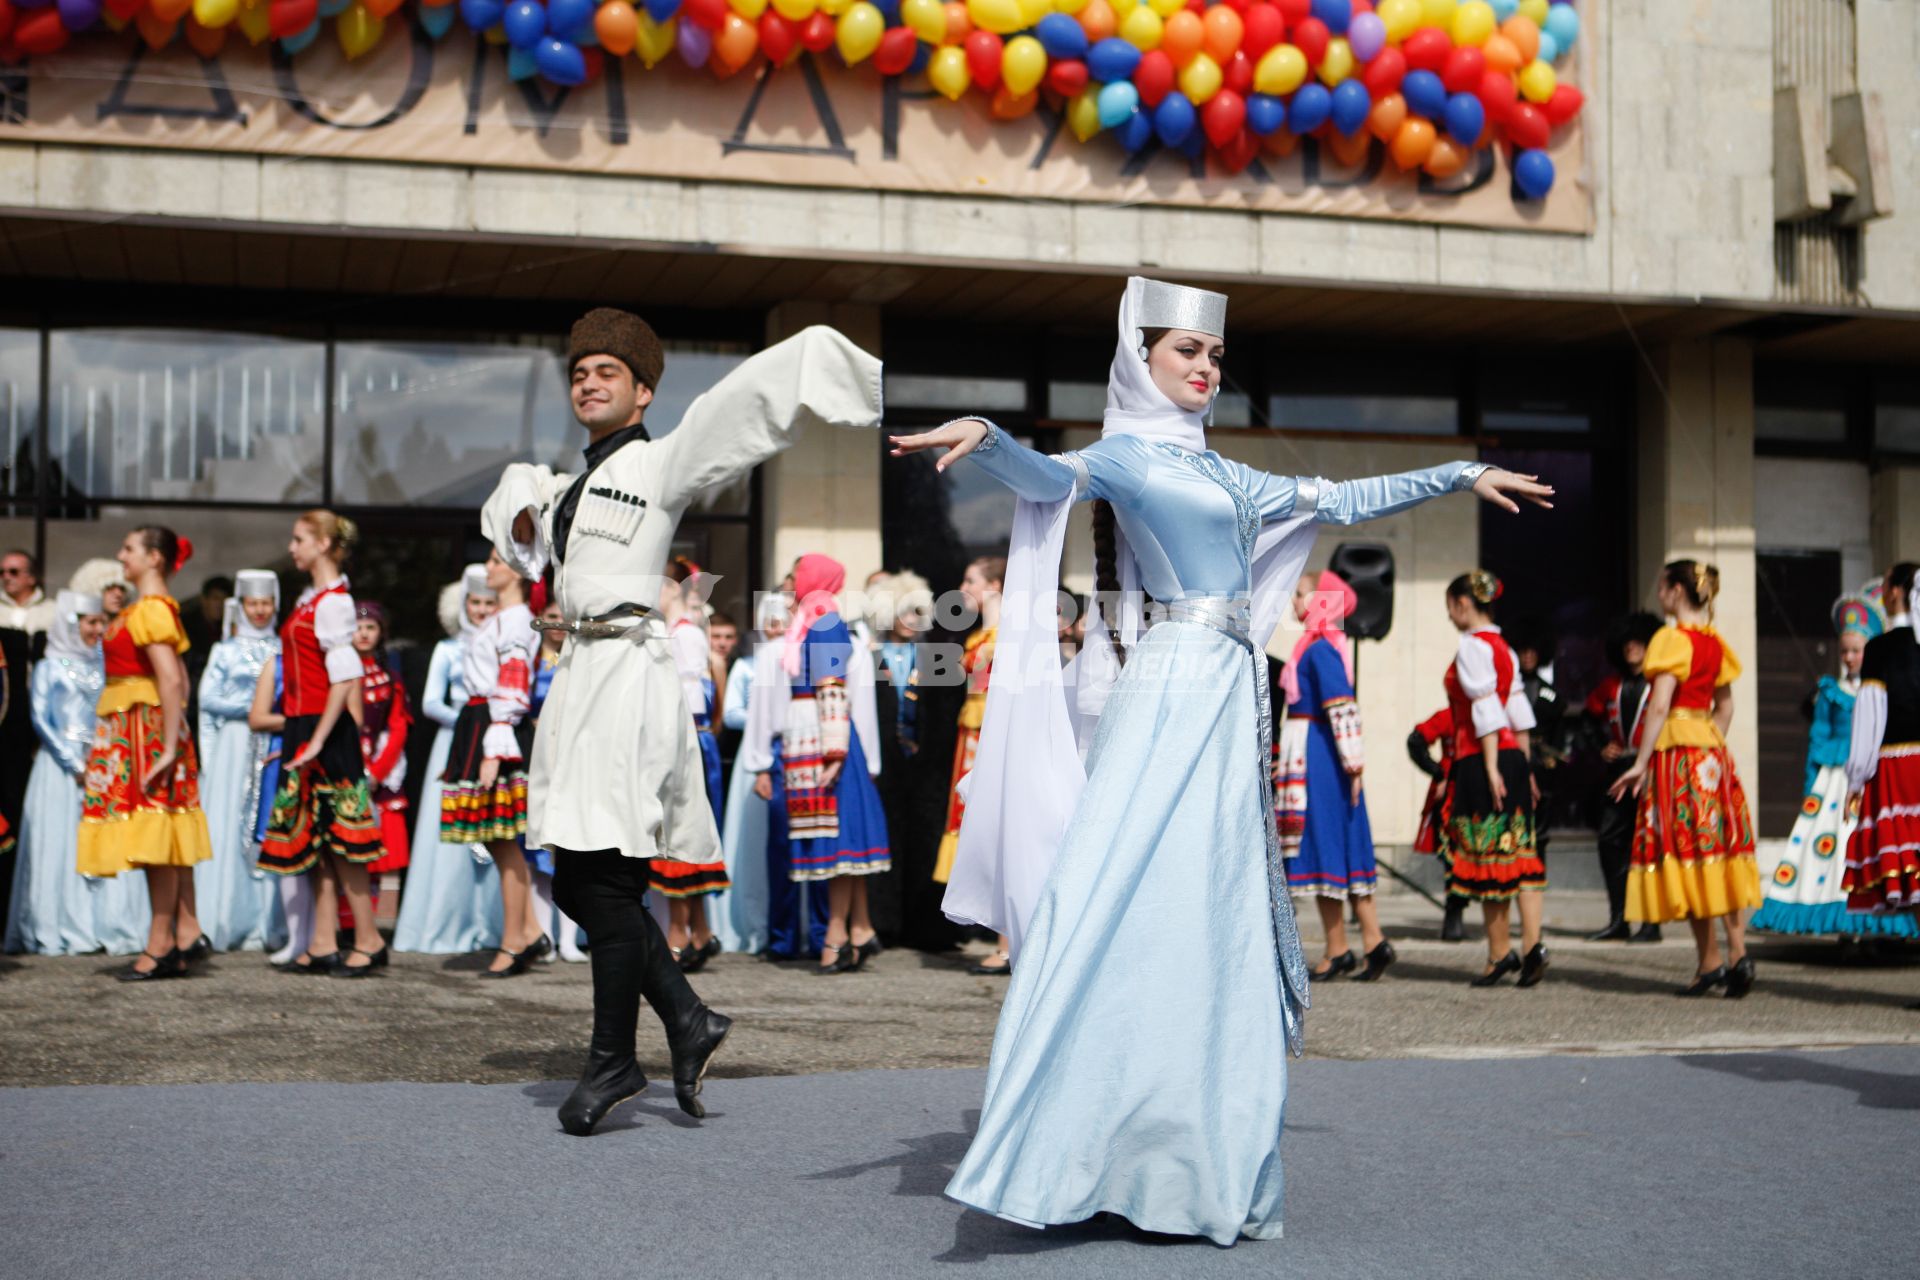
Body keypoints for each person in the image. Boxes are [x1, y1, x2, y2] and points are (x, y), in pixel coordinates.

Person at [898, 276, 1551, 1244]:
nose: (1205, 368)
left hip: (1227, 692)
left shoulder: (1234, 476)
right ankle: (1061, 1139)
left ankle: (1185, 1156)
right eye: (1185, 354)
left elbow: (1343, 495)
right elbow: (1050, 477)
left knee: (1211, 925)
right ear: (1142, 362)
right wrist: (990, 442)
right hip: (1168, 691)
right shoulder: (1125, 456)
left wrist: (1455, 473)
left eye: (1212, 356)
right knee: (1111, 896)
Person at [479, 308, 881, 1135]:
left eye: (608, 373)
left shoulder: (662, 463)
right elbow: (516, 518)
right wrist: (526, 503)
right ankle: (686, 1019)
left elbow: (734, 407)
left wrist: (821, 362)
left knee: (608, 874)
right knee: (583, 873)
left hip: (628, 673)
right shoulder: (566, 486)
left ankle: (615, 1060)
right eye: (579, 371)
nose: (589, 381)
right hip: (579, 673)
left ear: (643, 391)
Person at [1608, 560, 1762, 997]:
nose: (1659, 594)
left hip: (1677, 756)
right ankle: (1737, 953)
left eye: (1662, 586)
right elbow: (1726, 707)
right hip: (1712, 754)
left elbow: (1659, 705)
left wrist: (1640, 762)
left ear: (1677, 591)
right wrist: (1709, 742)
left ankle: (1708, 962)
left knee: (1687, 851)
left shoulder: (1672, 639)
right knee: (1720, 850)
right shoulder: (1714, 643)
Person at [76, 526, 215, 981]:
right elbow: (179, 677)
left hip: (144, 732)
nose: (122, 555)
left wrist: (170, 743)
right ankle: (175, 938)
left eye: (130, 549)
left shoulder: (152, 609)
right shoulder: (149, 608)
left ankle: (160, 943)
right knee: (155, 839)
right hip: (136, 728)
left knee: (154, 838)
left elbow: (172, 680)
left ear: (155, 558)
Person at [258, 510, 387, 977]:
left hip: (324, 729)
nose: (292, 548)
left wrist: (315, 739)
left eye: (299, 540)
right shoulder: (312, 598)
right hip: (303, 723)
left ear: (325, 544)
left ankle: (369, 939)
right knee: (316, 839)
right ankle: (323, 939)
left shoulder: (334, 602)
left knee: (343, 840)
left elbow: (347, 675)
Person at [758, 555, 891, 974]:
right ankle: (859, 929)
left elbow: (832, 690)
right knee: (843, 841)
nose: (793, 582)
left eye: (799, 576)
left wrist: (833, 752)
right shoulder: (813, 621)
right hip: (814, 738)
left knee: (838, 843)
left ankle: (836, 936)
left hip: (825, 742)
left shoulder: (825, 621)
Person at [1755, 593, 1915, 940]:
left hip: (1871, 770)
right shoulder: (1831, 691)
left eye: (1856, 651)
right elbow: (1819, 735)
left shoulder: (1884, 683)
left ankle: (1876, 927)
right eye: (1844, 652)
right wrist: (1815, 777)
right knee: (1836, 846)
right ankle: (1846, 930)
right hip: (1836, 780)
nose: (1849, 658)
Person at [6, 591, 139, 955]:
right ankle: (59, 923)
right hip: (60, 769)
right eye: (91, 622)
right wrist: (75, 763)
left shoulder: (103, 664)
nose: (98, 629)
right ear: (71, 623)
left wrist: (106, 755)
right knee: (59, 843)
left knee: (102, 841)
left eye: (101, 622)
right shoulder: (49, 666)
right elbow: (41, 720)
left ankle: (101, 922)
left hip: (103, 764)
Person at [1276, 570, 1391, 981]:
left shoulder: (1320, 649)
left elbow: (1341, 708)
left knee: (1325, 844)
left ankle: (1341, 947)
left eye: (1302, 594)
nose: (1295, 602)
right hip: (1318, 755)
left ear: (1323, 600)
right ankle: (1366, 942)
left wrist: (1353, 765)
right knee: (1339, 844)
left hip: (1321, 760)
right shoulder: (1318, 646)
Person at [1438, 571, 1547, 989]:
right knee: (1520, 848)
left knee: (1488, 856)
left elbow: (1485, 709)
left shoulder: (1471, 646)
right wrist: (1525, 765)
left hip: (1480, 756)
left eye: (1451, 607)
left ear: (1463, 604)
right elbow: (1518, 712)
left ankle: (1499, 954)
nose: (1451, 616)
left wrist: (1489, 766)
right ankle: (1533, 944)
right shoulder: (1504, 648)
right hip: (1513, 757)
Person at [441, 549, 545, 978]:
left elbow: (515, 685)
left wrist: (493, 748)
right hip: (481, 721)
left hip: (495, 724)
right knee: (499, 839)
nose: (489, 567)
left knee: (503, 840)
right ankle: (530, 930)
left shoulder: (517, 619)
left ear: (519, 571)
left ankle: (514, 939)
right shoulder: (503, 618)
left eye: (498, 560)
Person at [392, 569, 503, 955]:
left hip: (494, 747)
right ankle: (444, 922)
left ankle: (491, 925)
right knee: (450, 836)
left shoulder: (508, 646)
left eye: (490, 603)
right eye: (475, 603)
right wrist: (472, 721)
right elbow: (429, 703)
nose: (482, 610)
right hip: (454, 746)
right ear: (462, 604)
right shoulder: (448, 649)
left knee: (494, 832)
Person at [192, 570, 283, 953]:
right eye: (253, 604)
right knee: (229, 823)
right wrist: (252, 708)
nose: (260, 611)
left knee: (267, 824)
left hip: (272, 744)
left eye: (266, 603)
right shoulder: (224, 650)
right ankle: (225, 916)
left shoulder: (283, 647)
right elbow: (207, 698)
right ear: (241, 606)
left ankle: (270, 920)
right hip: (234, 745)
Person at [652, 558, 731, 970]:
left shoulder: (683, 636)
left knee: (682, 832)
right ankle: (699, 929)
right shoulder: (677, 633)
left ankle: (682, 931)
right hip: (686, 739)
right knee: (681, 831)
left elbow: (688, 700)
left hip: (687, 741)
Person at [934, 556, 1010, 975]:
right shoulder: (983, 634)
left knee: (1002, 828)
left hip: (991, 738)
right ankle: (1005, 936)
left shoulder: (1009, 633)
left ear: (994, 585)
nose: (963, 586)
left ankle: (1009, 941)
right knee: (985, 829)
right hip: (973, 737)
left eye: (971, 580)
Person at [1843, 563, 1920, 921]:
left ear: (1893, 593)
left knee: (1911, 869)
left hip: (1899, 770)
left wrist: (1856, 779)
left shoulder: (1881, 649)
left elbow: (1870, 718)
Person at [1582, 612, 1663, 942]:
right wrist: (1602, 745)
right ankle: (1619, 918)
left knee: (1650, 845)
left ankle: (1651, 922)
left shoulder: (1661, 682)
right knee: (1609, 840)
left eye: (1639, 643)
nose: (1632, 648)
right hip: (1619, 772)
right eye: (1627, 643)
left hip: (1654, 771)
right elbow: (1588, 720)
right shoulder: (1609, 685)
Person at [712, 593, 783, 955]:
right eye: (769, 621)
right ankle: (752, 926)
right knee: (750, 841)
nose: (775, 628)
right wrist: (764, 718)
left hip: (786, 751)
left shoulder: (791, 661)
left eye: (781, 620)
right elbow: (732, 713)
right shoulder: (747, 667)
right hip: (752, 757)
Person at [247, 653, 307, 966]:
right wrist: (302, 724)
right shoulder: (277, 664)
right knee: (287, 844)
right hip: (283, 759)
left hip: (320, 753)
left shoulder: (334, 660)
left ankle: (318, 936)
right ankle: (295, 937)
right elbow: (257, 717)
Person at [0, 547, 53, 639]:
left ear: (31, 577)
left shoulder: (53, 611)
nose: (6, 577)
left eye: (14, 572)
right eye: (1, 572)